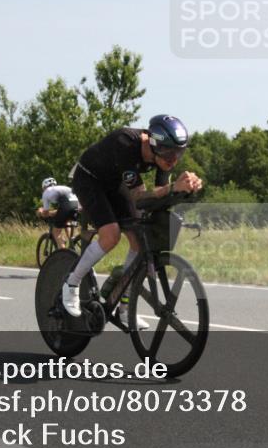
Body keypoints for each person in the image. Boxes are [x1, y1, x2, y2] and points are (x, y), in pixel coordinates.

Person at [63, 115, 202, 329]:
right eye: (169, 152)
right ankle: (71, 282)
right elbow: (139, 197)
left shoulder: (164, 157)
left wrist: (185, 191)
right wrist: (173, 188)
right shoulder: (126, 143)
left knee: (139, 240)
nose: (173, 160)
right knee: (111, 235)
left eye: (179, 153)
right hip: (89, 179)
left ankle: (124, 308)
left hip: (114, 182)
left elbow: (156, 196)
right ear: (154, 144)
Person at [36, 178, 79, 248]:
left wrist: (40, 212)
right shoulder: (62, 188)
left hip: (67, 207)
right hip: (77, 206)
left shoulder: (46, 192)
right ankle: (72, 241)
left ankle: (64, 254)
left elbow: (45, 213)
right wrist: (51, 213)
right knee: (66, 220)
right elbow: (60, 211)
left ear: (44, 187)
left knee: (55, 232)